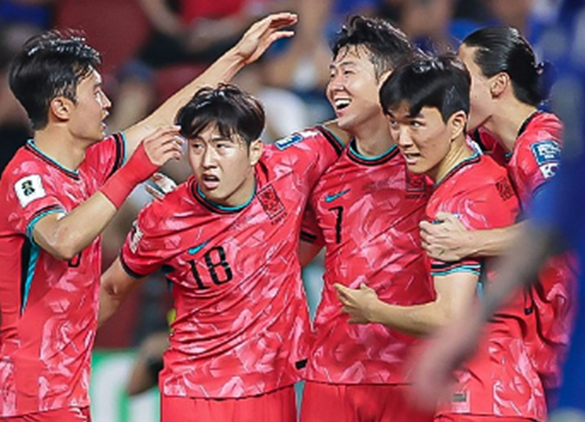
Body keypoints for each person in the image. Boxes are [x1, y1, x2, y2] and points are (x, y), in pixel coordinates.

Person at [0, 12, 297, 421]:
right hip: (26, 393)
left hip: (64, 387)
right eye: (96, 92)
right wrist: (132, 173)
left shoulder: (91, 163)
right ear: (62, 107)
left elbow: (165, 118)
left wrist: (237, 56)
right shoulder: (24, 175)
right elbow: (62, 237)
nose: (108, 101)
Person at [97, 83, 345, 422]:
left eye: (222, 146)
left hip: (273, 387)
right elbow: (112, 288)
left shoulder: (287, 167)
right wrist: (56, 347)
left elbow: (350, 129)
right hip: (195, 391)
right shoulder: (164, 218)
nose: (207, 161)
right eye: (196, 146)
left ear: (255, 150)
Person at [335, 55, 547, 422]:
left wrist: (373, 310)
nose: (403, 139)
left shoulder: (453, 206)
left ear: (457, 123)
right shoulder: (489, 170)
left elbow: (451, 316)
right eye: (395, 124)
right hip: (516, 390)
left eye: (416, 124)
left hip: (477, 397)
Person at [412, 1, 585, 420]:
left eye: (463, 78)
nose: (453, 91)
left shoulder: (543, 143)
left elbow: (562, 223)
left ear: (498, 84)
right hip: (545, 344)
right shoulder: (500, 146)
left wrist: (467, 241)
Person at [297, 16, 435, 422]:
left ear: (388, 80)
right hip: (332, 373)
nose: (334, 85)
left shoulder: (434, 165)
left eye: (348, 72)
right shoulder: (324, 173)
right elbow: (289, 258)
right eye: (332, 73)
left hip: (413, 373)